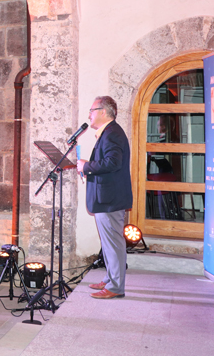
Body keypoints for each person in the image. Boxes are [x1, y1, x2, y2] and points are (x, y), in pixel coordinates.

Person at [77, 96, 133, 300]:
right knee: (109, 244)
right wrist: (88, 166)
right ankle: (110, 279)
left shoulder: (112, 134)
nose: (89, 115)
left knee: (114, 244)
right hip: (106, 198)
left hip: (110, 200)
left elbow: (112, 163)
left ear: (103, 111)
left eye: (91, 110)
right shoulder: (109, 132)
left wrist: (86, 166)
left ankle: (116, 287)